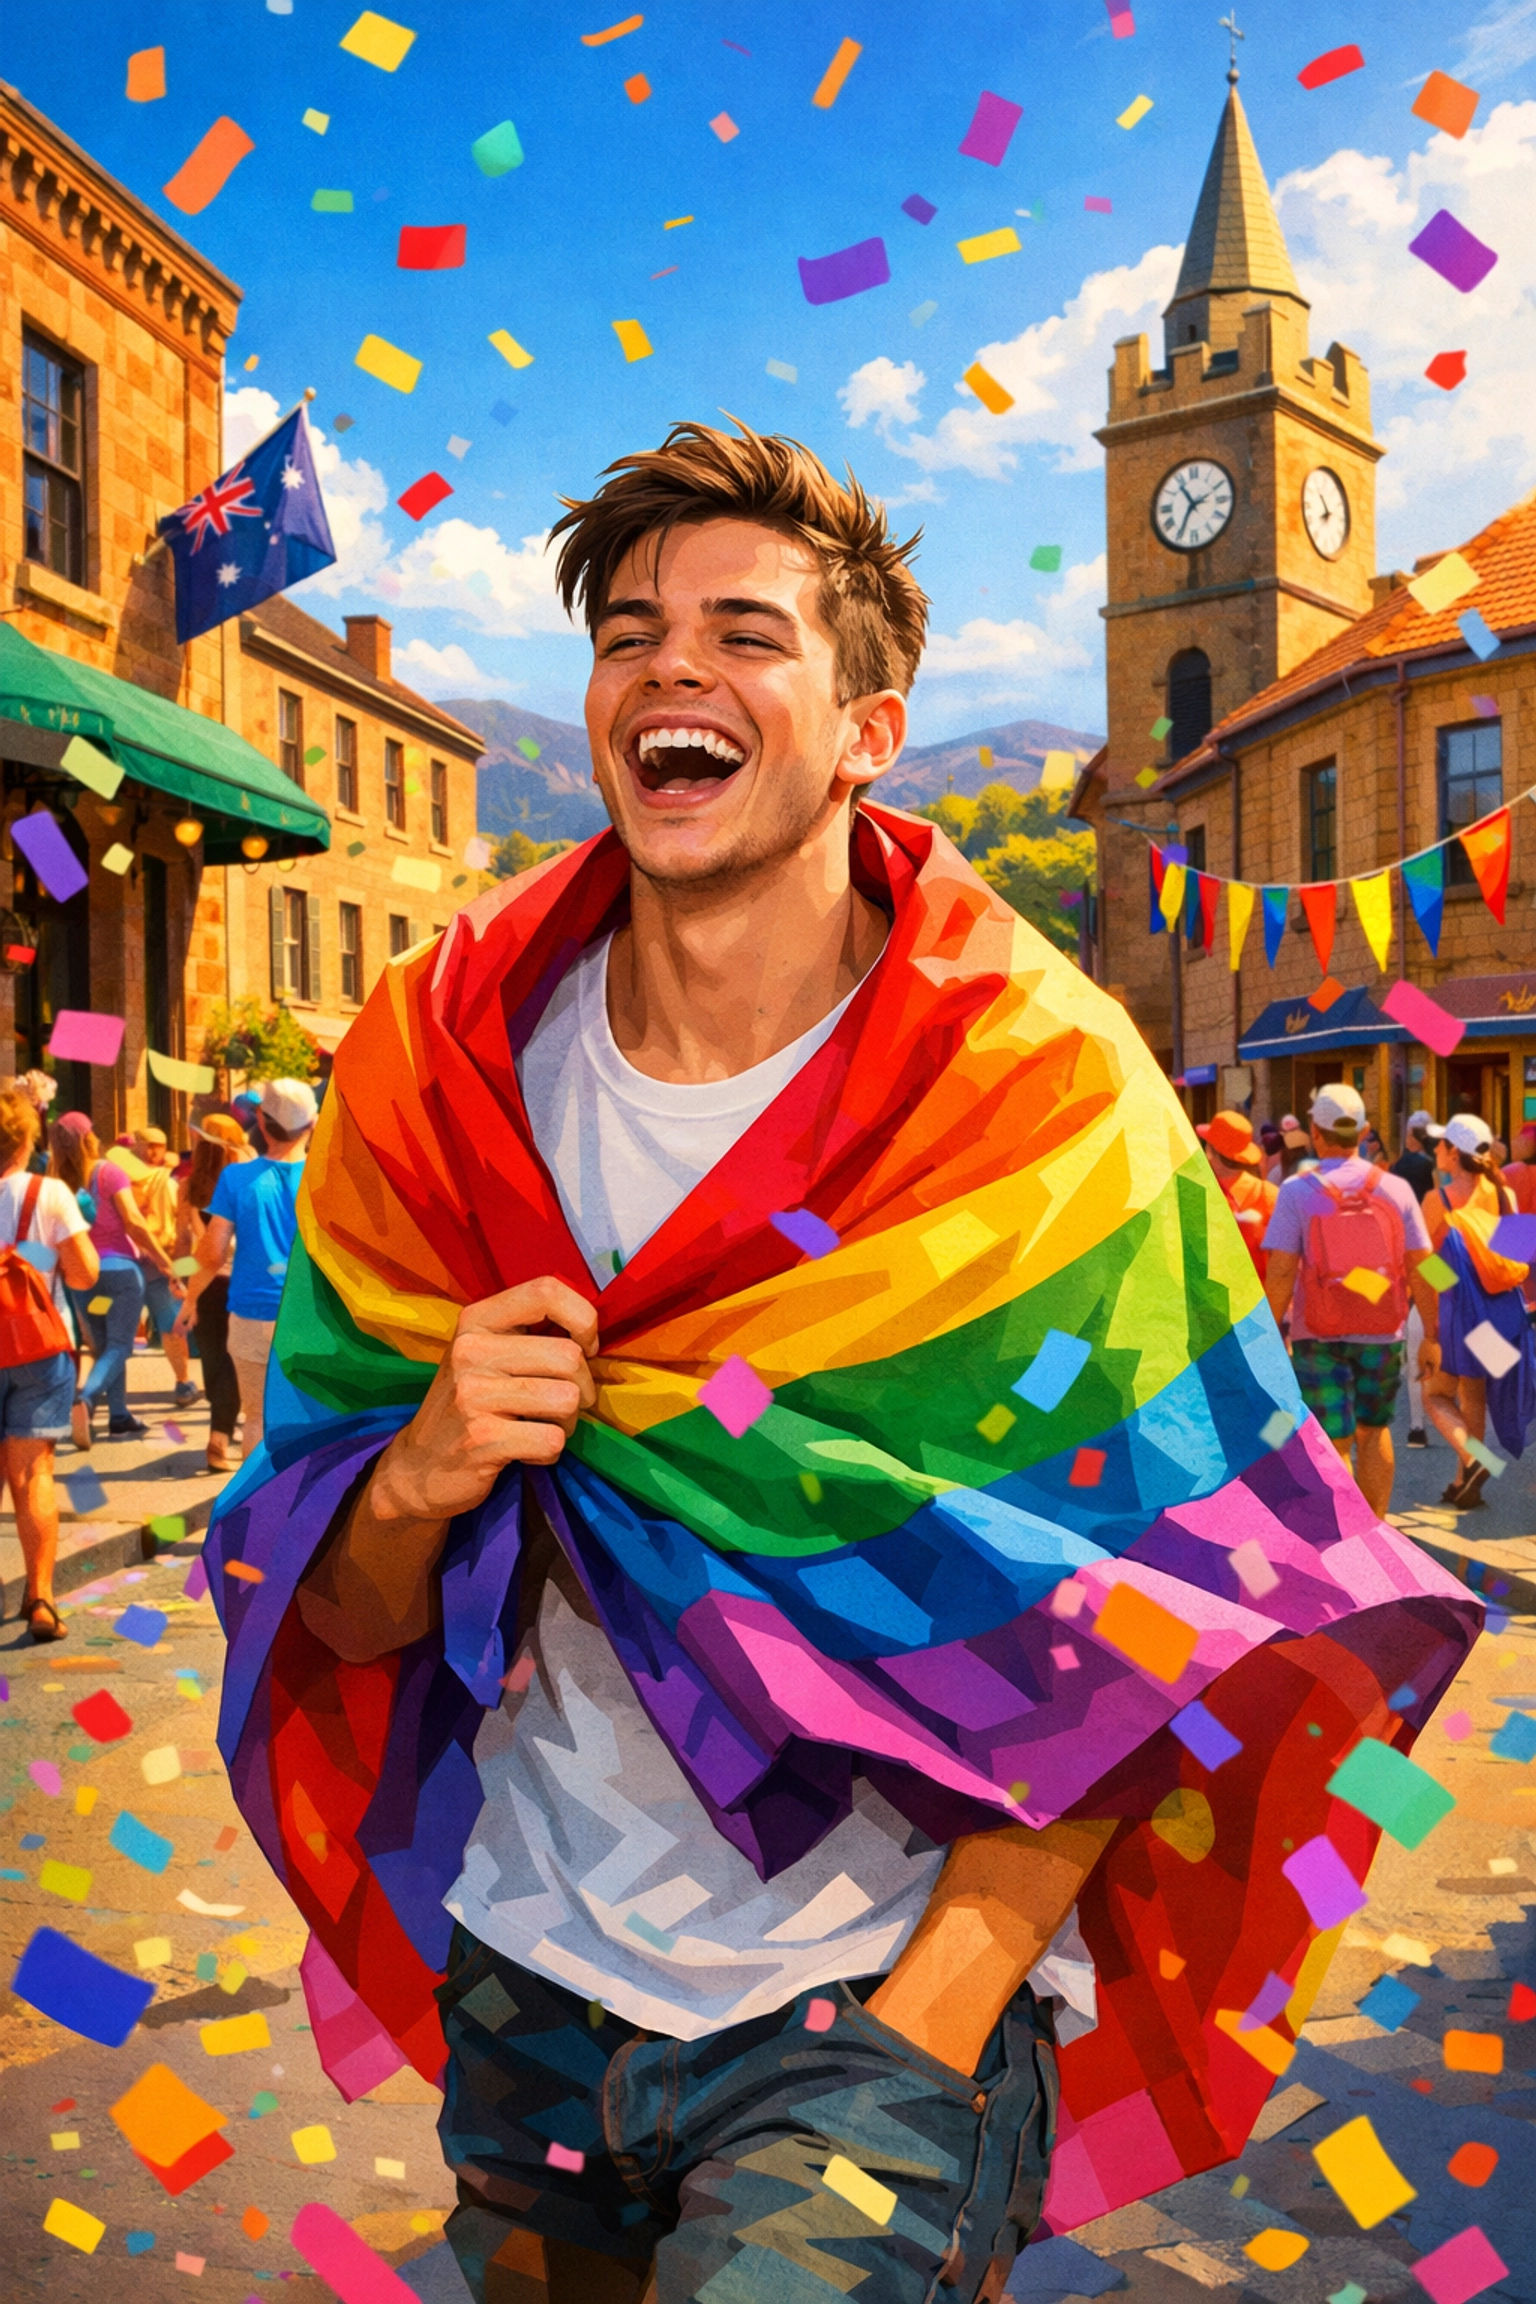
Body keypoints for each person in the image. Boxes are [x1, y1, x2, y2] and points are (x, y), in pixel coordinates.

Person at [203, 421, 1478, 2304]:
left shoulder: (1039, 1100)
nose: (672, 670)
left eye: (745, 631)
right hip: (529, 1982)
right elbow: (358, 1612)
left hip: (866, 2013)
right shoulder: (439, 1067)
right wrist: (413, 1468)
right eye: (630, 632)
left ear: (869, 725)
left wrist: (932, 2009)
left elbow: (1165, 1611)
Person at [1261, 1084, 1442, 1518]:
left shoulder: (1296, 1191)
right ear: (1363, 1132)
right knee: (1374, 1430)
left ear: (1315, 1132)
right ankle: (1376, 1527)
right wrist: (1433, 1335)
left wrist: (1268, 1336)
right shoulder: (1397, 1189)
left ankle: (1347, 1535)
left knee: (1334, 1439)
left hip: (1317, 1334)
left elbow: (1282, 1271)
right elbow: (1425, 1267)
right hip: (1383, 1331)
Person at [0, 1090, 100, 1640]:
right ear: (24, 1140)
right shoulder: (49, 1192)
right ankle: (40, 1597)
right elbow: (83, 1275)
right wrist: (32, 1256)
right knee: (33, 1471)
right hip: (37, 1345)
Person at [189, 1079, 316, 1457]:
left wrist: (190, 1297)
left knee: (256, 1418)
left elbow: (212, 1252)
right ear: (311, 1124)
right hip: (309, 1316)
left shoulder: (236, 1178)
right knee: (307, 1418)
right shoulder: (324, 1177)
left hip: (251, 1314)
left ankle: (257, 1509)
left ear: (261, 1122)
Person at [1421, 1113, 1536, 1510]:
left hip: (1459, 1313)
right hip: (1502, 1314)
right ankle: (1464, 1483)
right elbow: (1520, 1259)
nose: (1435, 1149)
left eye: (1440, 1145)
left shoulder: (1438, 1200)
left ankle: (1475, 1461)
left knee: (1434, 1396)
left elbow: (1425, 1266)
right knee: (1474, 1396)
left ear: (1454, 1154)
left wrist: (1439, 1312)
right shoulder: (1505, 1194)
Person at [50, 1113, 180, 1445]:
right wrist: (166, 1264)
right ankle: (87, 1399)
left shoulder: (56, 1181)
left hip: (81, 1276)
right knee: (120, 1345)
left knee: (106, 1347)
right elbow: (134, 1222)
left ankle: (119, 1415)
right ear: (91, 1138)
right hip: (120, 1272)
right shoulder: (109, 1172)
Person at [171, 1118, 250, 1473]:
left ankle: (220, 1432)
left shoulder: (187, 1186)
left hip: (203, 1284)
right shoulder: (244, 1179)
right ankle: (219, 1438)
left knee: (214, 1360)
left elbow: (183, 1241)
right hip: (241, 1279)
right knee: (236, 1363)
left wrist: (181, 1282)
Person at [131, 1126, 198, 1408]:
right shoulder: (167, 1183)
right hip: (161, 1262)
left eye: (156, 1145)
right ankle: (183, 1383)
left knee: (119, 1334)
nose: (153, 1151)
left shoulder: (121, 1181)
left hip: (131, 1261)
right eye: (151, 1145)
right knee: (171, 1327)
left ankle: (101, 1396)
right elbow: (179, 1224)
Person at [1391, 1111, 1439, 1447]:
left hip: (1408, 1257)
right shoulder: (1439, 1181)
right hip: (1440, 1262)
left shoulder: (1396, 1171)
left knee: (1415, 1340)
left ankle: (1417, 1427)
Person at [1197, 1108, 1278, 1277]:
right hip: (1259, 1298)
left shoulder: (1195, 1193)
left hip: (1210, 1298)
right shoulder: (1268, 1194)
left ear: (1210, 1151)